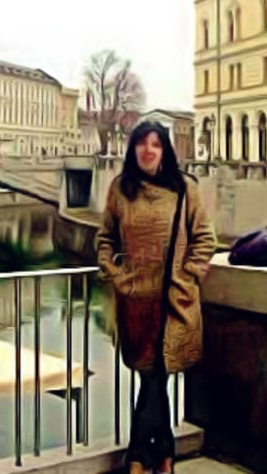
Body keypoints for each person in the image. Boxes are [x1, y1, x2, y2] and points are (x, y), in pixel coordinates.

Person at [95, 121, 216, 474]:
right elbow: (105, 239)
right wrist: (115, 274)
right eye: (142, 144)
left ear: (165, 150)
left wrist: (188, 275)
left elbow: (204, 238)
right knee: (152, 379)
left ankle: (139, 457)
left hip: (174, 302)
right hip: (136, 303)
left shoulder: (184, 189)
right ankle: (163, 456)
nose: (149, 150)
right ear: (132, 150)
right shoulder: (121, 190)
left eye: (156, 144)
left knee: (154, 379)